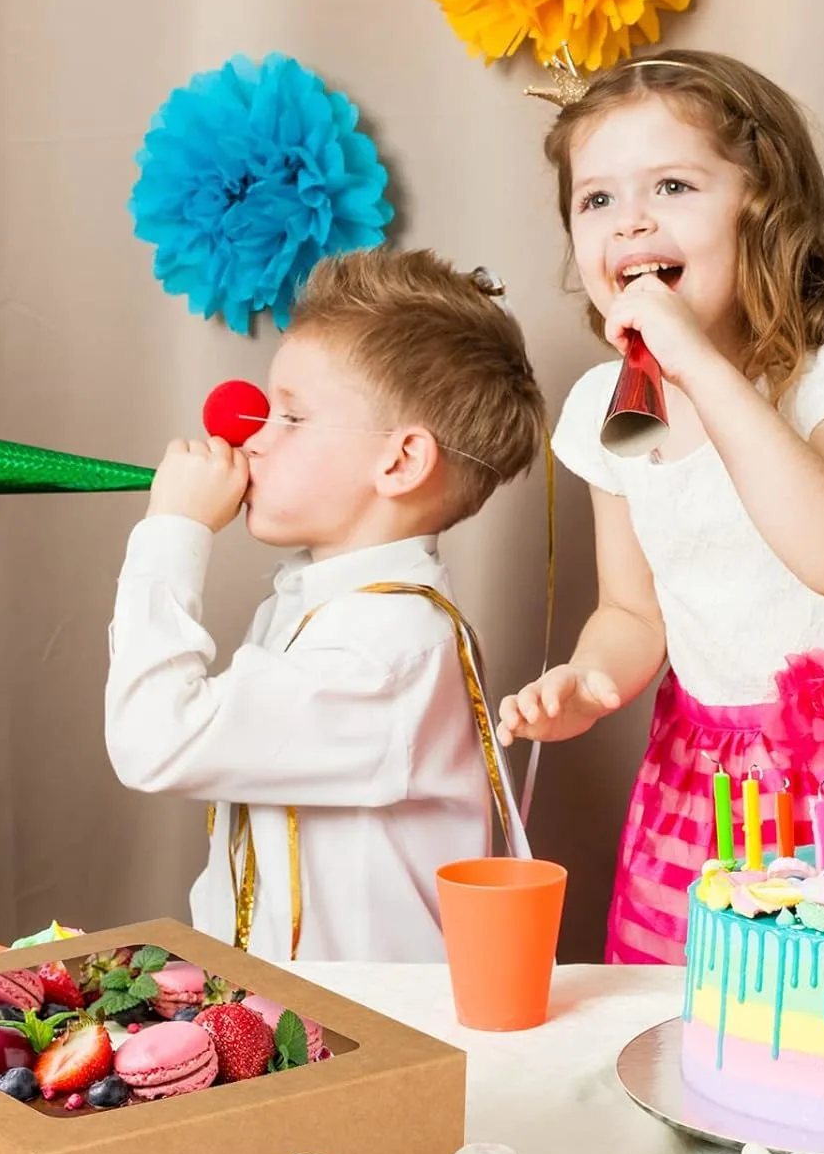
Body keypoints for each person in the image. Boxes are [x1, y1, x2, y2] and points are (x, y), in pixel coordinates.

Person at [497, 49, 824, 965]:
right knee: (730, 1017)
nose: (633, 222)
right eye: (598, 200)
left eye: (672, 184)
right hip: (716, 783)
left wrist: (697, 360)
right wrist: (590, 683)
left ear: (764, 207)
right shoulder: (603, 410)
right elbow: (630, 609)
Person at [106, 247, 548, 961]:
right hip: (293, 1023)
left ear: (400, 461)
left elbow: (156, 741)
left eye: (291, 417)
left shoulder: (387, 648)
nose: (248, 436)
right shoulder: (322, 605)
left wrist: (172, 534)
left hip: (374, 1037)